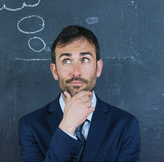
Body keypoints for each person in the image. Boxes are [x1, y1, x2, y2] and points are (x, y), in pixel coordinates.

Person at [19, 25, 140, 162]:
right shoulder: (31, 125)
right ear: (54, 71)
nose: (76, 72)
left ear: (98, 68)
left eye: (84, 60)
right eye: (66, 61)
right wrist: (67, 126)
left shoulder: (125, 124)